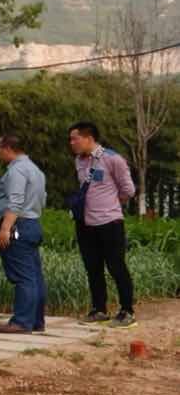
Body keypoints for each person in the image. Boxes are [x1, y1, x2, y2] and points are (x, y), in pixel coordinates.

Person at [68, 121, 139, 328]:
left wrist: (109, 204)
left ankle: (127, 311)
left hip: (109, 222)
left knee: (116, 266)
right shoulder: (79, 161)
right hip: (85, 223)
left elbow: (129, 190)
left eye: (75, 138)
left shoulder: (113, 159)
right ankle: (99, 309)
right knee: (93, 268)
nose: (71, 143)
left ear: (89, 138)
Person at [0, 134, 48, 334]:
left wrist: (5, 228)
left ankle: (22, 322)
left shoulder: (16, 171)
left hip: (18, 225)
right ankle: (36, 320)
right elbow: (42, 199)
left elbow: (15, 201)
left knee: (23, 277)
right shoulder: (35, 169)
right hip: (32, 222)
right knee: (34, 275)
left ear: (7, 148)